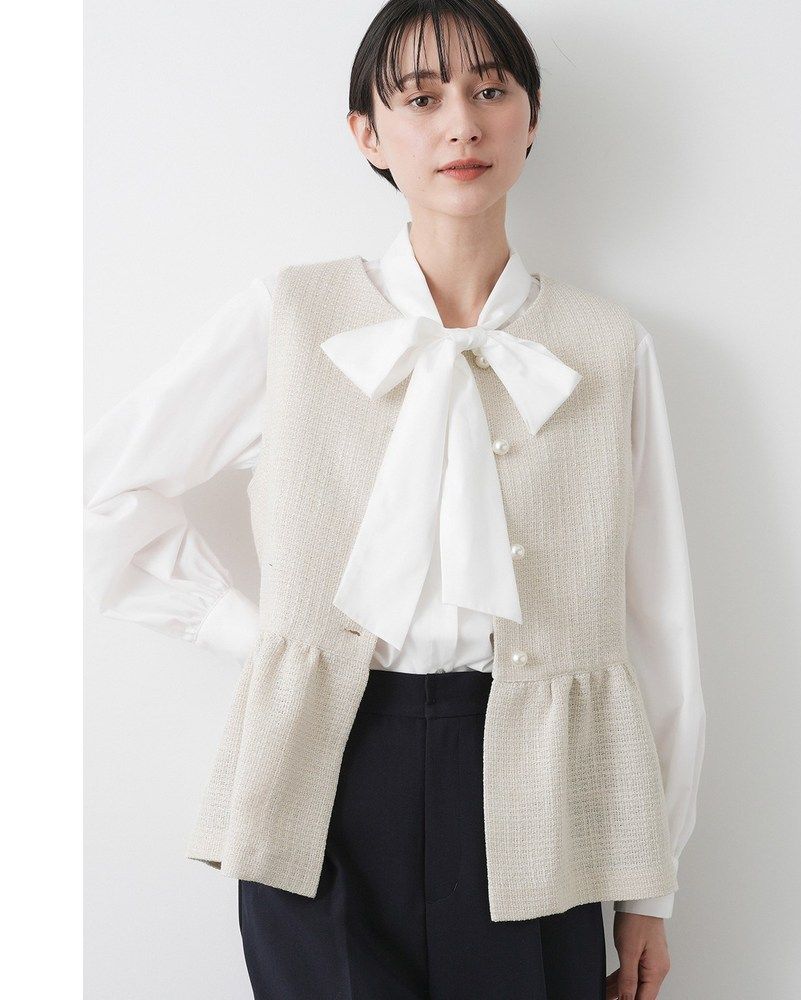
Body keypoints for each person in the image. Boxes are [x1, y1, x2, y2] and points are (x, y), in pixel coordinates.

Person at [83, 2, 706, 997]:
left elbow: (657, 622)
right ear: (367, 134)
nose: (461, 124)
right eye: (420, 99)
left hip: (538, 785)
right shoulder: (293, 316)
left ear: (531, 118)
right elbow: (102, 495)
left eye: (490, 90)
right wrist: (256, 635)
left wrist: (650, 883)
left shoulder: (604, 345)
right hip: (319, 772)